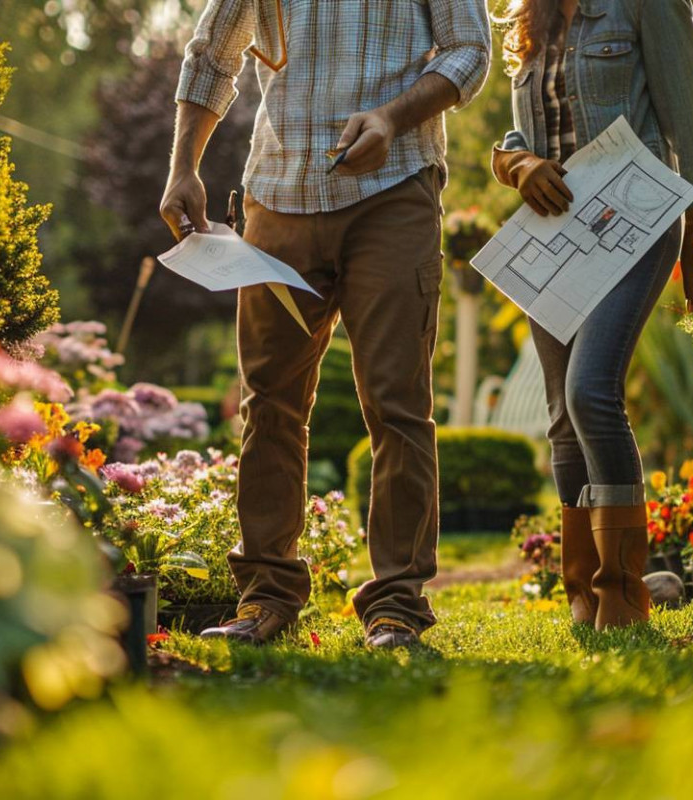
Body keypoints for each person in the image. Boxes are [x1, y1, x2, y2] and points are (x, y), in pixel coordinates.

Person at [159, 0, 491, 647]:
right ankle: (266, 596)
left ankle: (396, 603)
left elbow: (470, 53)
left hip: (393, 189)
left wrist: (391, 118)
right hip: (277, 195)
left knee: (397, 403)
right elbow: (213, 53)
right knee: (269, 402)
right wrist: (183, 167)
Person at [490, 0, 693, 629]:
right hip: (554, 235)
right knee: (563, 418)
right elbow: (522, 133)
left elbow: (690, 116)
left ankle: (621, 591)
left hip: (635, 221)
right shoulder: (530, 17)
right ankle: (582, 595)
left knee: (590, 392)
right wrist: (517, 162)